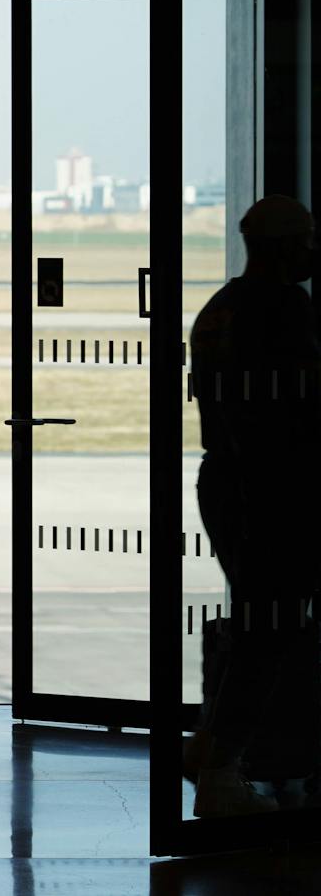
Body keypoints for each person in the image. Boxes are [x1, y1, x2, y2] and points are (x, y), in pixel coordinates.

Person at [183, 195, 320, 817]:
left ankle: (211, 746)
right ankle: (221, 770)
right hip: (272, 485)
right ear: (285, 245)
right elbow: (299, 405)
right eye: (306, 240)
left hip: (225, 478)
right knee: (271, 629)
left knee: (254, 622)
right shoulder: (284, 307)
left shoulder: (221, 308)